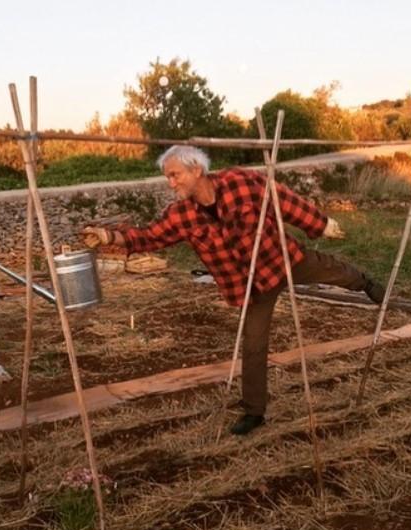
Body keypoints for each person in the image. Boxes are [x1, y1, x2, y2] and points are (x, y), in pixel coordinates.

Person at [82, 146, 385, 435]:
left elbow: (281, 198)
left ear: (197, 169)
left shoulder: (241, 182)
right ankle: (254, 411)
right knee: (253, 345)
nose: (170, 183)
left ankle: (367, 284)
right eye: (168, 177)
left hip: (282, 258)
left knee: (334, 270)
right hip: (252, 286)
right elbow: (149, 237)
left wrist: (320, 225)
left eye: (175, 175)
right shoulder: (181, 215)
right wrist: (109, 236)